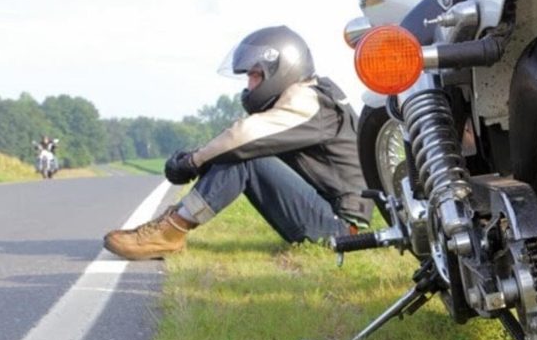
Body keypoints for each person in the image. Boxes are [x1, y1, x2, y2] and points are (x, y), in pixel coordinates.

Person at [103, 25, 373, 260]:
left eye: (256, 75)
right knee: (234, 152)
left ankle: (172, 230)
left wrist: (193, 161)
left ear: (281, 69)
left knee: (245, 156)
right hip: (331, 218)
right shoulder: (312, 96)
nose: (249, 84)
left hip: (339, 229)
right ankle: (173, 224)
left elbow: (243, 136)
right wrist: (202, 157)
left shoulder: (307, 99)